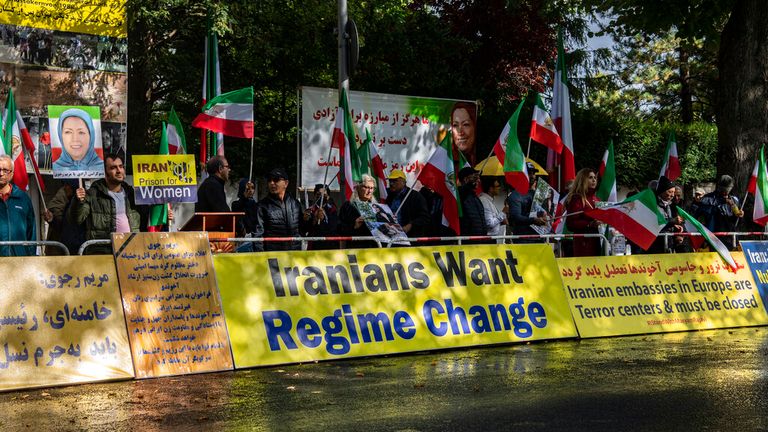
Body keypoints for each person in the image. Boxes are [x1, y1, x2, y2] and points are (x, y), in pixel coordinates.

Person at [70, 153, 143, 254]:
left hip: (130, 251)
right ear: (104, 173)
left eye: (121, 166)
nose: (118, 171)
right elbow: (77, 219)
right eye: (113, 168)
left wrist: (166, 215)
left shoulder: (132, 194)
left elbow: (148, 219)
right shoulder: (93, 194)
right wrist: (78, 201)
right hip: (103, 252)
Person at [252, 168, 307, 252]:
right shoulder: (262, 206)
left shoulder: (296, 204)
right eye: (269, 180)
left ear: (286, 183)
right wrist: (261, 258)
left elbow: (302, 231)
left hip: (294, 257)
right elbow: (257, 235)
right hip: (272, 257)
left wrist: (310, 220)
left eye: (276, 180)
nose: (272, 183)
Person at [695, 174, 744, 250]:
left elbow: (737, 222)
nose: (725, 193)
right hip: (714, 237)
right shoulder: (709, 198)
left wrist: (740, 216)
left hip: (730, 237)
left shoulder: (734, 200)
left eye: (727, 190)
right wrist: (723, 201)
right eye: (723, 190)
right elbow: (702, 204)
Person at [0, 155, 35, 256]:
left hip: (18, 261)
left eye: (5, 170)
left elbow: (31, 231)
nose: (1, 173)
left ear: (12, 174)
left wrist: (31, 257)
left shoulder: (23, 198)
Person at [52, 108, 103, 174]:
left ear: (91, 135)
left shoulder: (103, 168)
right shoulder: (54, 168)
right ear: (60, 135)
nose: (75, 139)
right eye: (68, 132)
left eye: (81, 132)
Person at [506, 164, 548, 243]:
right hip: (524, 239)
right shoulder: (515, 195)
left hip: (540, 238)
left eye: (533, 173)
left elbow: (542, 212)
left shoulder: (537, 193)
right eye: (529, 173)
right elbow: (516, 217)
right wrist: (533, 220)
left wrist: (545, 215)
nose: (532, 176)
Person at [646, 176, 688, 254]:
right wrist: (672, 222)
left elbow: (678, 222)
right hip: (654, 247)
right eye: (670, 192)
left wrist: (679, 234)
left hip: (669, 246)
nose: (672, 195)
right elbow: (653, 223)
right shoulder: (652, 204)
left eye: (673, 192)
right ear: (662, 191)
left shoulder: (672, 205)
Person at [338, 174, 382, 248]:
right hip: (356, 248)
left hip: (375, 248)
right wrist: (354, 226)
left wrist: (390, 219)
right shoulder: (348, 206)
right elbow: (339, 229)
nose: (370, 191)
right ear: (358, 187)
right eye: (366, 187)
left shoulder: (377, 207)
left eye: (372, 188)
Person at [565, 168, 600, 256]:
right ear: (583, 180)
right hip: (584, 243)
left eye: (595, 178)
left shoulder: (597, 199)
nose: (594, 180)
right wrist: (589, 224)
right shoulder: (577, 199)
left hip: (598, 240)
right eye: (590, 177)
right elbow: (570, 224)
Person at [43, 179, 84, 255]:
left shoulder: (81, 198)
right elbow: (63, 223)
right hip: (62, 247)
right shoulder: (62, 197)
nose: (66, 187)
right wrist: (52, 219)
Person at [385, 169, 429, 238]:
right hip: (391, 236)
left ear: (403, 181)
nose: (391, 183)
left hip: (410, 238)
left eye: (395, 181)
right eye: (390, 181)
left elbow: (424, 218)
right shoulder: (389, 196)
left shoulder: (416, 196)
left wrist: (410, 225)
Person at [304, 184, 339, 250]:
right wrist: (308, 220)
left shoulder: (332, 209)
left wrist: (323, 219)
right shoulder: (310, 210)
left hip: (329, 245)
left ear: (328, 196)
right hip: (314, 245)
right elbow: (305, 229)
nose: (321, 197)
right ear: (314, 196)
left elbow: (333, 227)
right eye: (318, 194)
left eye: (324, 195)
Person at [457, 167, 487, 243]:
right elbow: (464, 190)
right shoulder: (460, 194)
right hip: (468, 241)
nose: (478, 181)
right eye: (475, 178)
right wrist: (470, 183)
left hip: (480, 240)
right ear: (465, 179)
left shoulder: (475, 197)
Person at [479, 176, 508, 243]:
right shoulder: (484, 201)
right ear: (490, 189)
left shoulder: (489, 200)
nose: (499, 188)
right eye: (497, 186)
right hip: (490, 239)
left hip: (494, 238)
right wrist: (502, 213)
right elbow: (489, 223)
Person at [451, 102, 477, 166]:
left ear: (474, 126)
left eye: (465, 124)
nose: (460, 132)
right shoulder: (448, 163)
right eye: (455, 125)